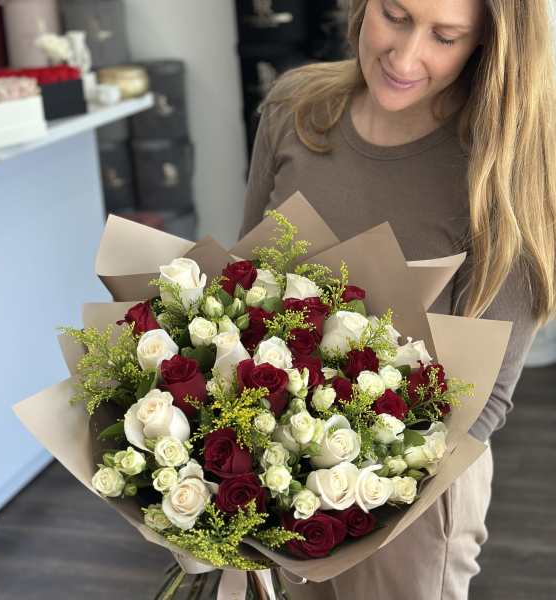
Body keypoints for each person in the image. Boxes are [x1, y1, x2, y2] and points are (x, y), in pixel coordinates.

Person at [238, 0, 556, 598]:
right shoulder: (294, 109)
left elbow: (486, 399)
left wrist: (356, 495)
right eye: (395, 15)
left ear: (487, 43)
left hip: (415, 496)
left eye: (446, 37)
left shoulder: (506, 167)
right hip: (273, 472)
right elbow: (241, 290)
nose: (406, 58)